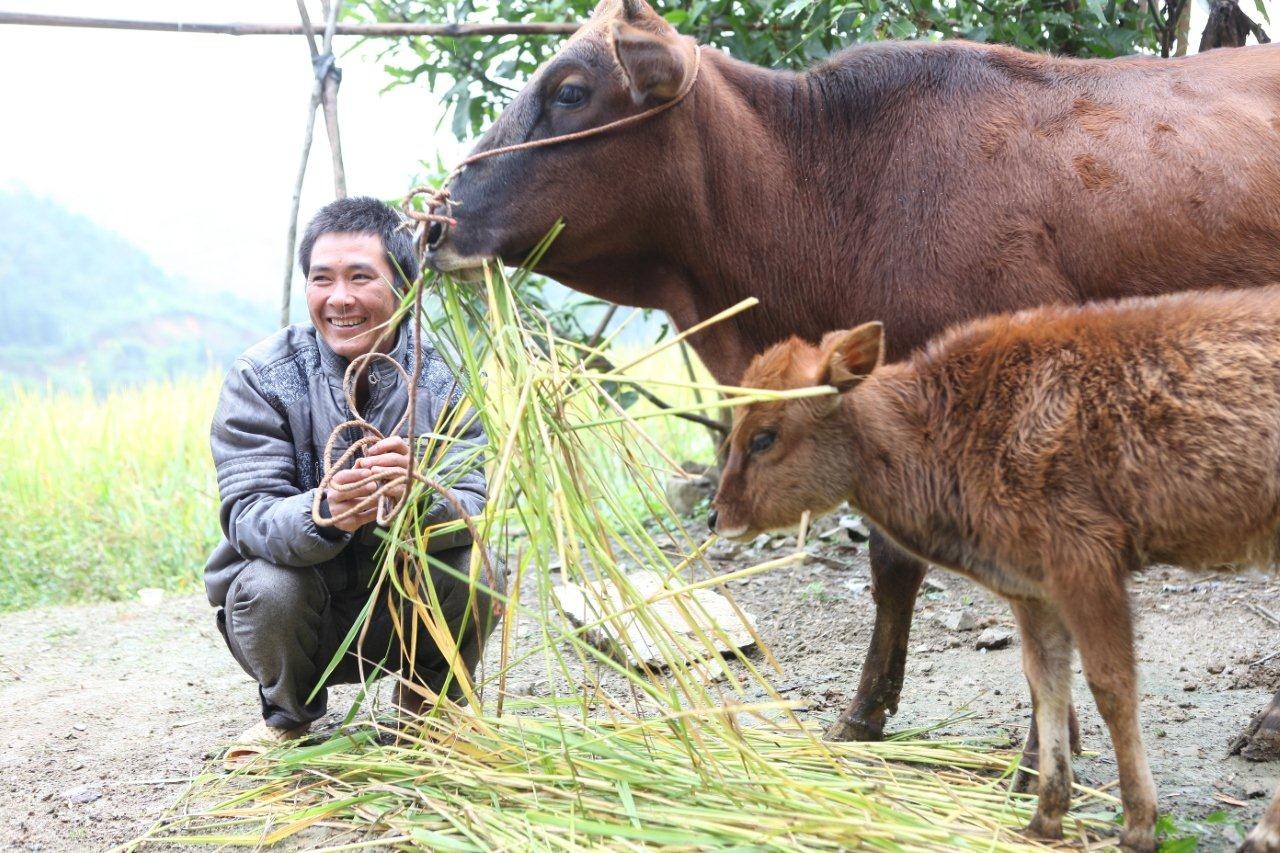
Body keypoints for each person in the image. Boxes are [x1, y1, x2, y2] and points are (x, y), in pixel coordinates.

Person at [204, 197, 499, 761]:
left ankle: (426, 707)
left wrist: (420, 497)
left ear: (404, 286)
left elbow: (474, 503)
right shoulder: (262, 376)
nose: (339, 298)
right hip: (306, 616)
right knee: (269, 584)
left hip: (404, 614)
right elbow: (247, 513)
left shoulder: (448, 377)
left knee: (481, 567)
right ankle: (287, 717)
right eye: (322, 280)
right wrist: (325, 511)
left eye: (361, 277)